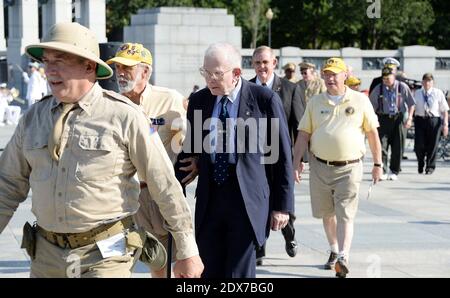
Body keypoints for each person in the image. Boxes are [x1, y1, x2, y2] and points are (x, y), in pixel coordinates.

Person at [0, 22, 203, 278]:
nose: (49, 69)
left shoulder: (124, 116)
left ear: (89, 66)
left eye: (60, 60)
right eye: (47, 61)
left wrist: (187, 250)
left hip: (106, 255)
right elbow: (6, 186)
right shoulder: (32, 119)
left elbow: (163, 183)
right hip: (46, 258)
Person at [179, 42, 294, 278]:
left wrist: (282, 206)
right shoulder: (200, 101)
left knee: (238, 273)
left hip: (247, 199)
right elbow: (190, 149)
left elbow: (282, 156)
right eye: (205, 73)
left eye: (217, 74)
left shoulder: (264, 100)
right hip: (211, 198)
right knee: (208, 270)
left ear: (236, 74)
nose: (210, 79)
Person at [293, 57, 382, 278]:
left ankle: (343, 256)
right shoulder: (315, 102)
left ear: (345, 76)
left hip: (350, 167)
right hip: (320, 166)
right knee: (327, 214)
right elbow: (303, 134)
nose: (330, 78)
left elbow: (372, 134)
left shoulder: (360, 101)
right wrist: (295, 163)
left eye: (335, 74)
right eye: (327, 74)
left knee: (345, 213)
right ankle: (333, 249)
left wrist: (378, 164)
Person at [105, 42, 187, 277]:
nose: (120, 72)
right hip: (121, 198)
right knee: (115, 262)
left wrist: (196, 161)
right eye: (117, 67)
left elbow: (191, 136)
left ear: (146, 71)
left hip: (155, 197)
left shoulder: (169, 100)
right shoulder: (111, 102)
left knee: (160, 260)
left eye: (127, 68)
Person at [249, 46, 302, 266]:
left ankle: (289, 235)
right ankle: (259, 247)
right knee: (258, 202)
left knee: (282, 201)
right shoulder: (247, 88)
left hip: (281, 157)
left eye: (265, 62)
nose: (262, 67)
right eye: (257, 63)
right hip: (255, 158)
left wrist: (299, 161)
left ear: (274, 63)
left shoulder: (289, 88)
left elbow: (299, 126)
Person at [369, 66, 415, 181]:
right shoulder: (379, 88)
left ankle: (394, 170)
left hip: (398, 119)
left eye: (388, 78)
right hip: (383, 119)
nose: (385, 81)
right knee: (382, 145)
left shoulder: (402, 87)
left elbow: (411, 103)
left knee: (397, 146)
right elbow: (370, 106)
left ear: (394, 77)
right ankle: (383, 170)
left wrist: (409, 118)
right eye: (384, 79)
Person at [413, 73, 449, 174]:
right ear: (422, 82)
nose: (427, 83)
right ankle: (420, 162)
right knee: (419, 145)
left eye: (429, 81)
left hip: (434, 120)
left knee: (433, 145)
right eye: (425, 81)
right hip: (420, 119)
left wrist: (445, 124)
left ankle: (430, 167)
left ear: (433, 82)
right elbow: (412, 106)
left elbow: (445, 110)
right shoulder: (417, 93)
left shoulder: (438, 93)